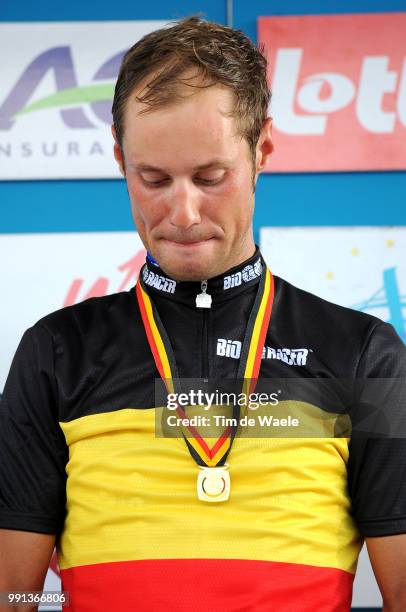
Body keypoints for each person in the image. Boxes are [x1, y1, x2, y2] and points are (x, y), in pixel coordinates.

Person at [1, 16, 405, 612]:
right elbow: (13, 595)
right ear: (119, 158)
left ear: (261, 150)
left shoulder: (363, 352)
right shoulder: (56, 352)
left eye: (210, 177)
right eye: (153, 178)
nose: (183, 212)